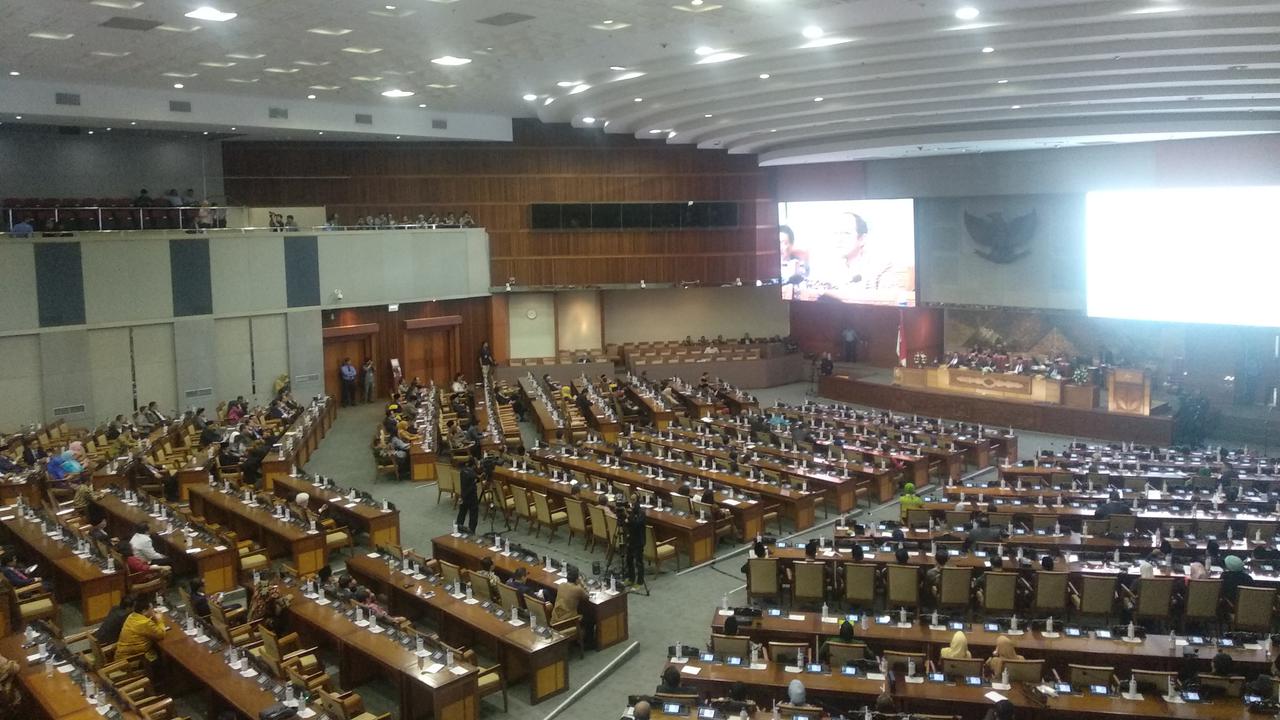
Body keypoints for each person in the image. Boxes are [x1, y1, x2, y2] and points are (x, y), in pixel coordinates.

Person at [115, 595, 166, 663]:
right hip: (132, 661)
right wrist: (159, 620)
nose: (153, 610)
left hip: (122, 656)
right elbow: (161, 635)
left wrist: (153, 618)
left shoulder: (131, 616)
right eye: (151, 608)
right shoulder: (144, 623)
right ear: (144, 611)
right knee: (160, 658)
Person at [624, 497, 648, 587]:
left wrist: (629, 518)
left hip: (639, 540)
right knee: (629, 559)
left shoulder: (642, 513)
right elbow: (626, 523)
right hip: (630, 539)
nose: (631, 502)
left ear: (638, 502)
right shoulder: (631, 512)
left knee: (639, 562)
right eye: (631, 499)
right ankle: (631, 578)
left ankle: (640, 582)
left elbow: (637, 524)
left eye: (633, 500)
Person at [455, 454, 480, 534]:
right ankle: (471, 531)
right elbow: (475, 482)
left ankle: (458, 528)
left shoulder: (463, 471)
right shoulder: (473, 474)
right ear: (474, 465)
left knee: (462, 513)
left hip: (463, 496)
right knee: (473, 515)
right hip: (472, 498)